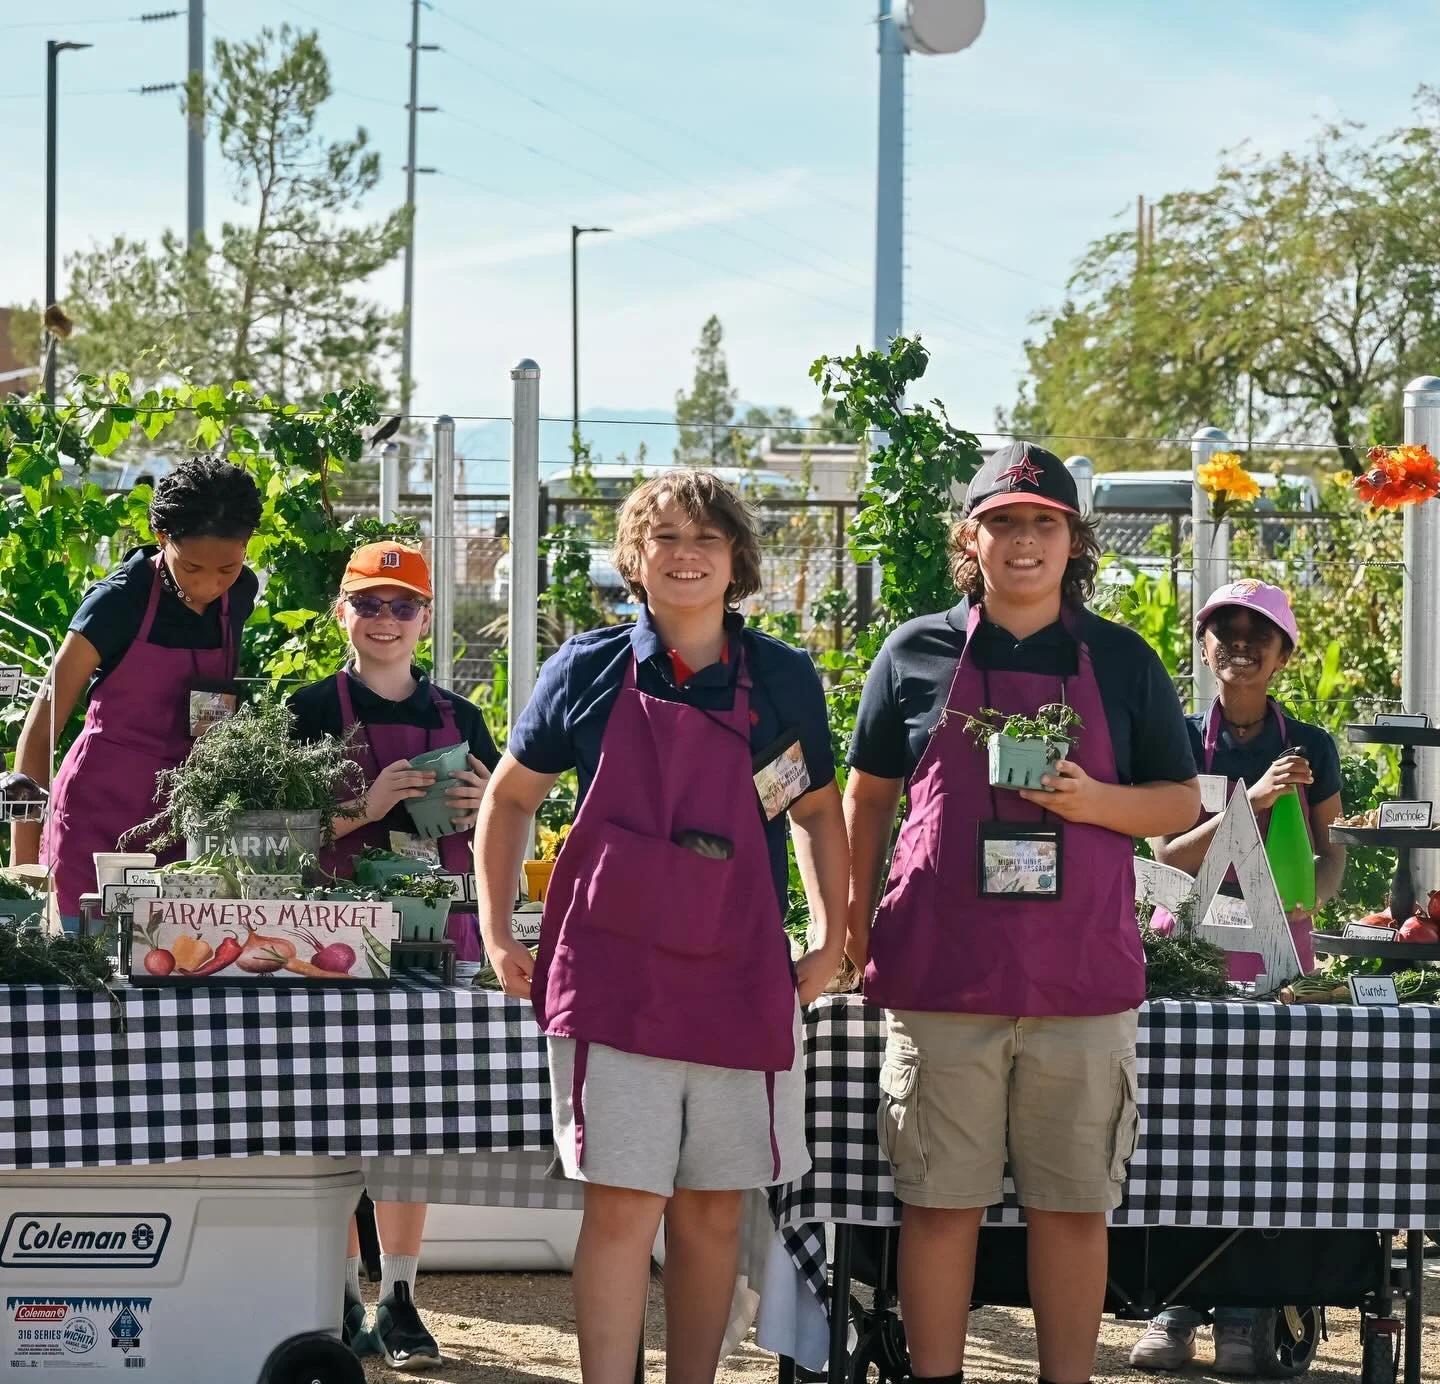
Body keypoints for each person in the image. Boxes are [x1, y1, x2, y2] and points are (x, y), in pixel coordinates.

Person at [473, 470, 851, 1384]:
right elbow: (509, 798)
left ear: (736, 563)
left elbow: (814, 817)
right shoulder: (587, 671)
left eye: (707, 541)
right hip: (614, 981)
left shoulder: (783, 681)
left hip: (737, 975)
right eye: (667, 539)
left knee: (715, 1210)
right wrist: (495, 929)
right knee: (621, 1208)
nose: (686, 556)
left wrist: (833, 938)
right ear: (635, 560)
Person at [843, 442, 1200, 1384]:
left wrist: (1096, 804)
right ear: (974, 535)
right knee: (939, 1206)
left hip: (1078, 982)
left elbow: (1179, 804)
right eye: (1005, 522)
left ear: (1073, 537)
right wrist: (847, 919)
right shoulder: (914, 651)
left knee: (1074, 1208)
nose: (1025, 540)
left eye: (1044, 522)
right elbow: (868, 795)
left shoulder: (1121, 660)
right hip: (940, 977)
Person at [287, 540, 498, 1370]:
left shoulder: (464, 719)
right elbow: (263, 842)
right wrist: (360, 807)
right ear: (343, 612)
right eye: (368, 603)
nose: (384, 620)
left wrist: (487, 807)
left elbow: (504, 835)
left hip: (433, 945)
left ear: (425, 619)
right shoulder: (304, 710)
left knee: (410, 1122)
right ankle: (340, 1294)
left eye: (401, 605)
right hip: (329, 946)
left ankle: (401, 1297)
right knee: (333, 1122)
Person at [1130, 578, 1345, 1377]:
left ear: (1285, 654)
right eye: (1226, 631)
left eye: (1261, 634)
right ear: (1204, 644)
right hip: (1185, 949)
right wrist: (1249, 806)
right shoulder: (1178, 738)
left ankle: (1249, 1306)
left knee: (1264, 1122)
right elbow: (1163, 858)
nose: (1242, 646)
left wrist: (1304, 905)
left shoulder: (1311, 748)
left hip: (1274, 957)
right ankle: (1176, 1302)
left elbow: (1331, 850)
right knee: (1180, 1121)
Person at [11, 457, 262, 923]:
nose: (209, 585)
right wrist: (22, 863)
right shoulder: (117, 602)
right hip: (96, 815)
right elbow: (42, 726)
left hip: (185, 827)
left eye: (227, 568)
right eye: (191, 568)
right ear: (162, 537)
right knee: (83, 967)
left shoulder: (240, 596)